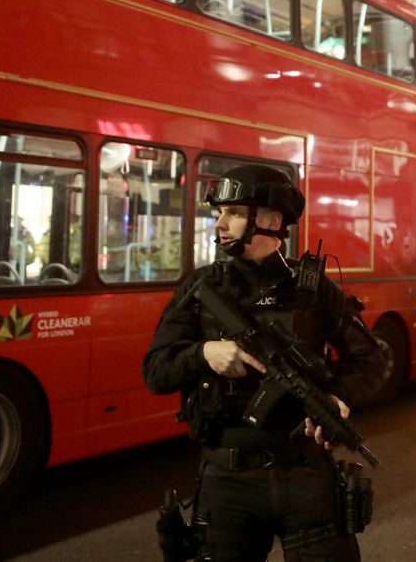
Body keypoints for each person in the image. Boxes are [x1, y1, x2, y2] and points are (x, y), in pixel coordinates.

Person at [142, 164, 385, 561]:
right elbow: (155, 371)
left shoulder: (314, 290)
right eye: (220, 212)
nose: (221, 223)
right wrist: (204, 354)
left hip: (306, 475)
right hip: (229, 480)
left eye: (235, 213)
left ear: (271, 221)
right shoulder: (203, 287)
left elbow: (371, 360)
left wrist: (336, 396)